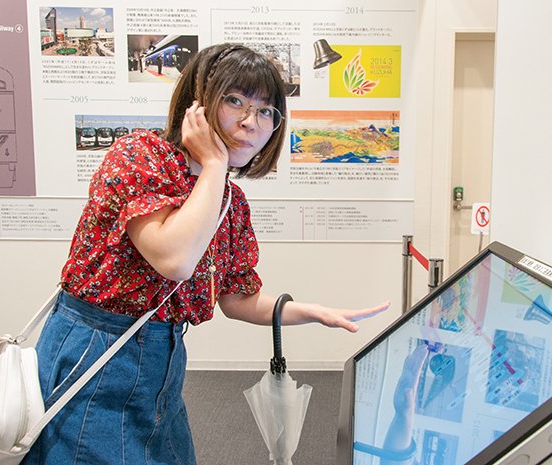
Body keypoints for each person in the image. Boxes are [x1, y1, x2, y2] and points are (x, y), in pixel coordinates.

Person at [22, 44, 389, 465]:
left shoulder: (230, 200)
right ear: (197, 102)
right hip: (95, 350)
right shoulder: (140, 156)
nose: (251, 122)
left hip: (164, 360)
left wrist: (312, 311)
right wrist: (214, 164)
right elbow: (175, 260)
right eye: (235, 101)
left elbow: (235, 298)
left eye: (266, 111)